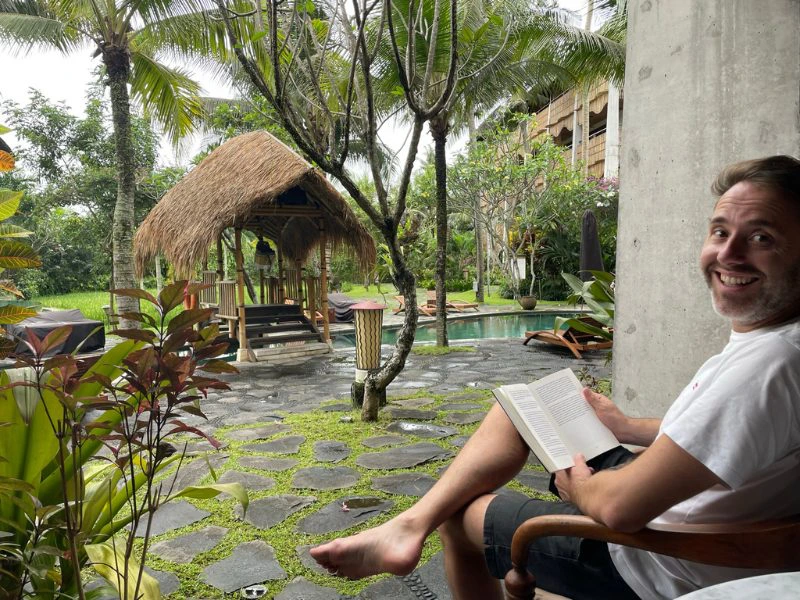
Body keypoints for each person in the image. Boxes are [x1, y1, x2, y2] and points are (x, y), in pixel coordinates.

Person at [311, 156, 800, 600]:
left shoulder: (770, 365)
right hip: (680, 509)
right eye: (719, 232)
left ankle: (413, 528)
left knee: (460, 521)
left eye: (761, 238)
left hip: (655, 556)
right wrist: (628, 427)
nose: (729, 254)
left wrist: (579, 488)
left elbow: (621, 508)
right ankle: (408, 523)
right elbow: (732, 435)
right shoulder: (778, 346)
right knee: (517, 410)